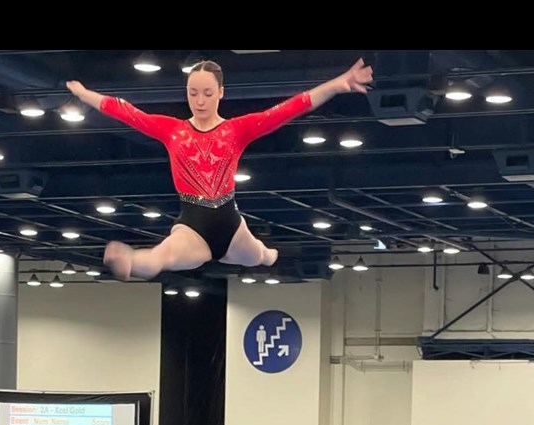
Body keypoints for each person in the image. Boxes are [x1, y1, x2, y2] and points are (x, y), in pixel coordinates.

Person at [66, 58, 374, 281]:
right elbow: (126, 112)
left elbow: (291, 108)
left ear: (221, 93)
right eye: (193, 93)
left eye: (207, 93)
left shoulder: (236, 130)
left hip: (230, 222)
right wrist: (84, 94)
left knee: (260, 257)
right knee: (162, 256)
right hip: (193, 224)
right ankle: (129, 260)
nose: (199, 101)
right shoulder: (171, 130)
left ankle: (269, 254)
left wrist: (337, 84)